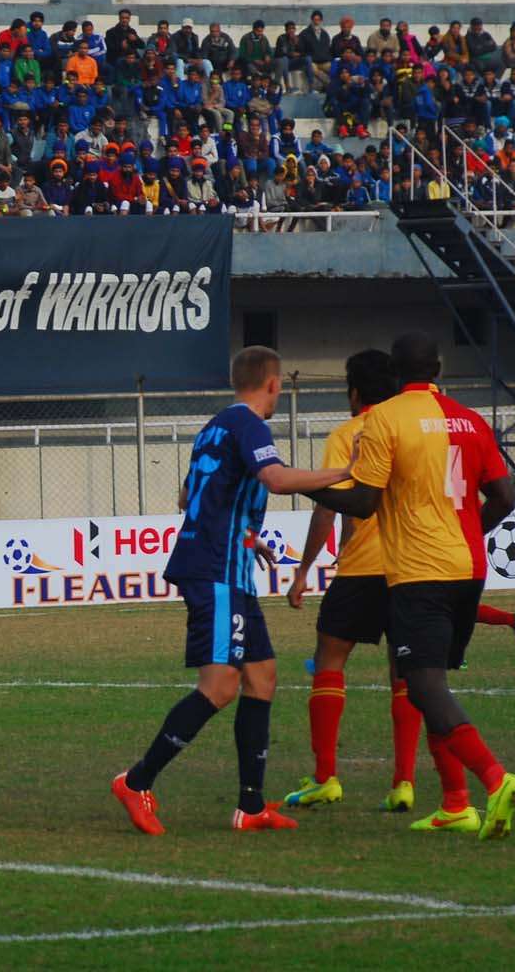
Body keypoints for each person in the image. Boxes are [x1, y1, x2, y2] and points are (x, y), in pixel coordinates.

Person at [111, 346, 350, 836]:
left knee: (261, 676)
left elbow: (190, 496)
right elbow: (276, 480)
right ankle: (136, 782)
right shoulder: (249, 425)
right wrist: (345, 472)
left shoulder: (213, 426)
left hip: (231, 565)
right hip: (216, 570)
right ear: (274, 384)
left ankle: (251, 806)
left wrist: (250, 536)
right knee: (219, 686)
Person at [309, 332, 515, 839]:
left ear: (395, 369)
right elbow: (504, 498)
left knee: (424, 686)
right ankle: (454, 803)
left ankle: (495, 779)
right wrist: (468, 528)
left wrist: (308, 485)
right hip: (468, 567)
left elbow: (364, 502)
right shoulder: (470, 419)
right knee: (432, 687)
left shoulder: (386, 418)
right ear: (439, 370)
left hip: (418, 570)